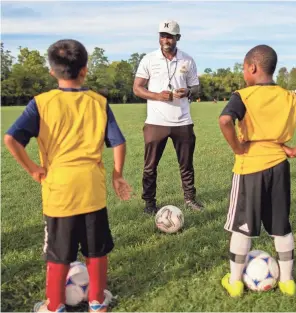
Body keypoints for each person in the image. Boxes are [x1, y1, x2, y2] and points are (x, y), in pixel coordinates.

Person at [3, 39, 131, 312]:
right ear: (85, 70)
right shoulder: (99, 102)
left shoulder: (41, 103)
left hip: (59, 192)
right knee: (97, 251)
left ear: (52, 71)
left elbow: (11, 139)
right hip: (92, 190)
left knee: (59, 254)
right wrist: (117, 175)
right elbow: (118, 142)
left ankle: (54, 306)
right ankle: (97, 302)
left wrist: (33, 168)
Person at [218, 45, 296, 297]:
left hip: (250, 168)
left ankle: (234, 282)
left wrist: (237, 147)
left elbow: (225, 120)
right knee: (281, 224)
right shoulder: (290, 97)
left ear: (252, 67)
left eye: (245, 68)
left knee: (241, 227)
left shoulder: (243, 95)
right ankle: (288, 281)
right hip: (279, 165)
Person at [133, 20, 203, 214]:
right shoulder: (148, 59)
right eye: (162, 35)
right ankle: (149, 204)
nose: (165, 39)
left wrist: (188, 91)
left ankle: (190, 199)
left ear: (177, 38)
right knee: (150, 166)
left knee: (186, 164)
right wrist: (157, 95)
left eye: (170, 36)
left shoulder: (187, 60)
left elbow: (196, 88)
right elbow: (137, 88)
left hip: (183, 121)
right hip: (156, 122)